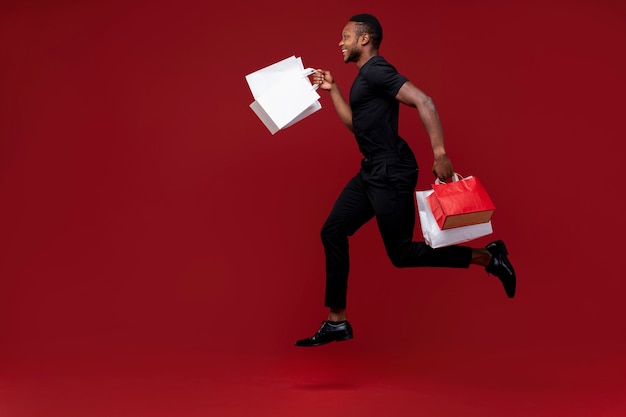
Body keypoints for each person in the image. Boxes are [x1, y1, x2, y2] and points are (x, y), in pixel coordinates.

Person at [294, 14, 516, 347]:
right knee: (333, 230)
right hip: (372, 170)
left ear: (365, 39)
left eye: (345, 37)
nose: (340, 43)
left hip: (391, 170)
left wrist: (440, 153)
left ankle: (488, 256)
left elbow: (424, 100)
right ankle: (336, 322)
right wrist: (334, 90)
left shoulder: (377, 70)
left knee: (402, 254)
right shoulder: (364, 79)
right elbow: (359, 127)